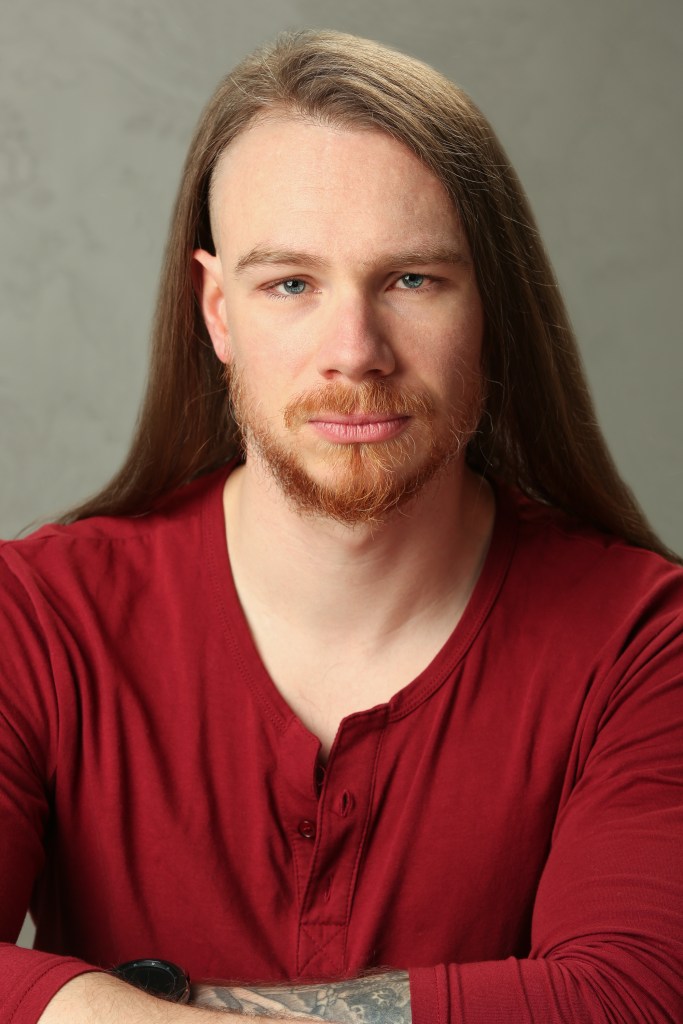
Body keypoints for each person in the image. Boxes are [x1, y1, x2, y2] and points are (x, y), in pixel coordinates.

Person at [1, 28, 681, 1024]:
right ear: (217, 309)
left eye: (411, 279)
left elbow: (630, 999)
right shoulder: (37, 615)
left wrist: (136, 1009)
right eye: (289, 283)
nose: (354, 351)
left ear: (485, 306)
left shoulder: (643, 642)